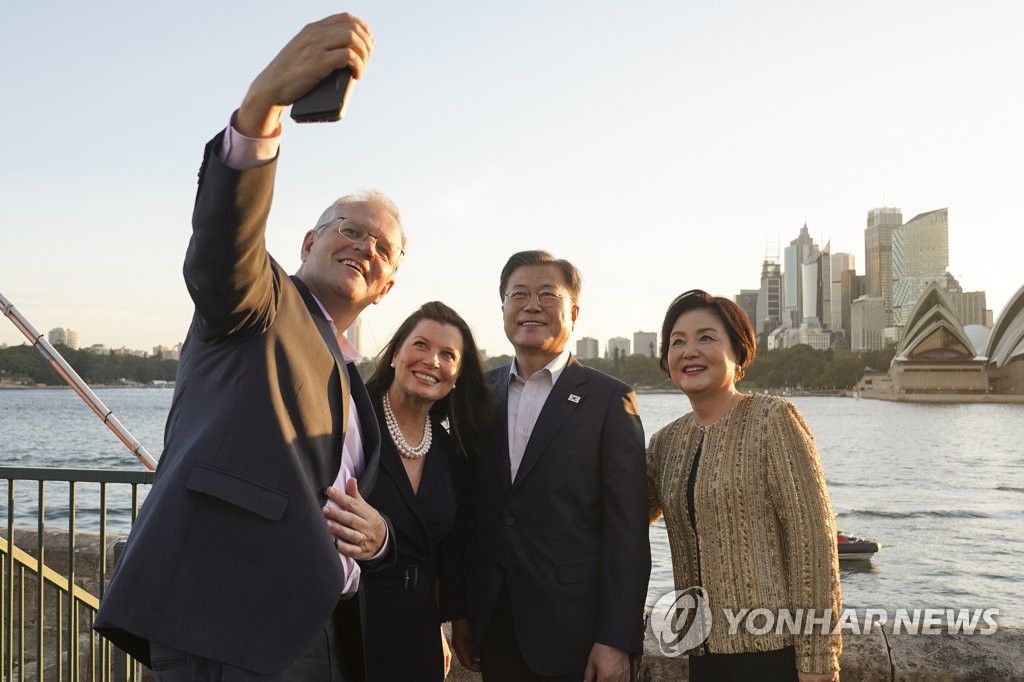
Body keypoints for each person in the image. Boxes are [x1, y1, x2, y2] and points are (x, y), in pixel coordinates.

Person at [95, 13, 403, 681]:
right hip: (227, 623)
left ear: (385, 288)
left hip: (321, 631)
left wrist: (377, 540)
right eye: (350, 229)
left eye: (384, 249)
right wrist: (261, 109)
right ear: (308, 244)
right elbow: (222, 248)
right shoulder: (261, 304)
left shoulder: (357, 383)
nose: (365, 248)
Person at [452, 250, 651, 682]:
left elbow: (627, 532)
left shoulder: (609, 399)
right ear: (503, 307)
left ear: (573, 311)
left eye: (547, 294)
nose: (532, 305)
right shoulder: (479, 393)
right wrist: (461, 613)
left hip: (575, 633)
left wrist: (616, 639)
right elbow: (471, 515)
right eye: (518, 294)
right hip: (495, 625)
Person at [646, 290, 842, 682]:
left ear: (738, 352)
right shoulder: (665, 443)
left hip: (772, 654)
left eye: (706, 337)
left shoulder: (773, 419)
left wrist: (818, 661)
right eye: (677, 341)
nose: (689, 351)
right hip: (700, 652)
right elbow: (620, 517)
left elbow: (813, 544)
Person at [330, 301, 491, 681]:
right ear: (395, 354)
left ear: (457, 374)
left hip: (417, 630)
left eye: (447, 354)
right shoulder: (352, 423)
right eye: (420, 345)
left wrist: (439, 626)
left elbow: (441, 553)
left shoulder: (451, 452)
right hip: (349, 621)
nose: (431, 361)